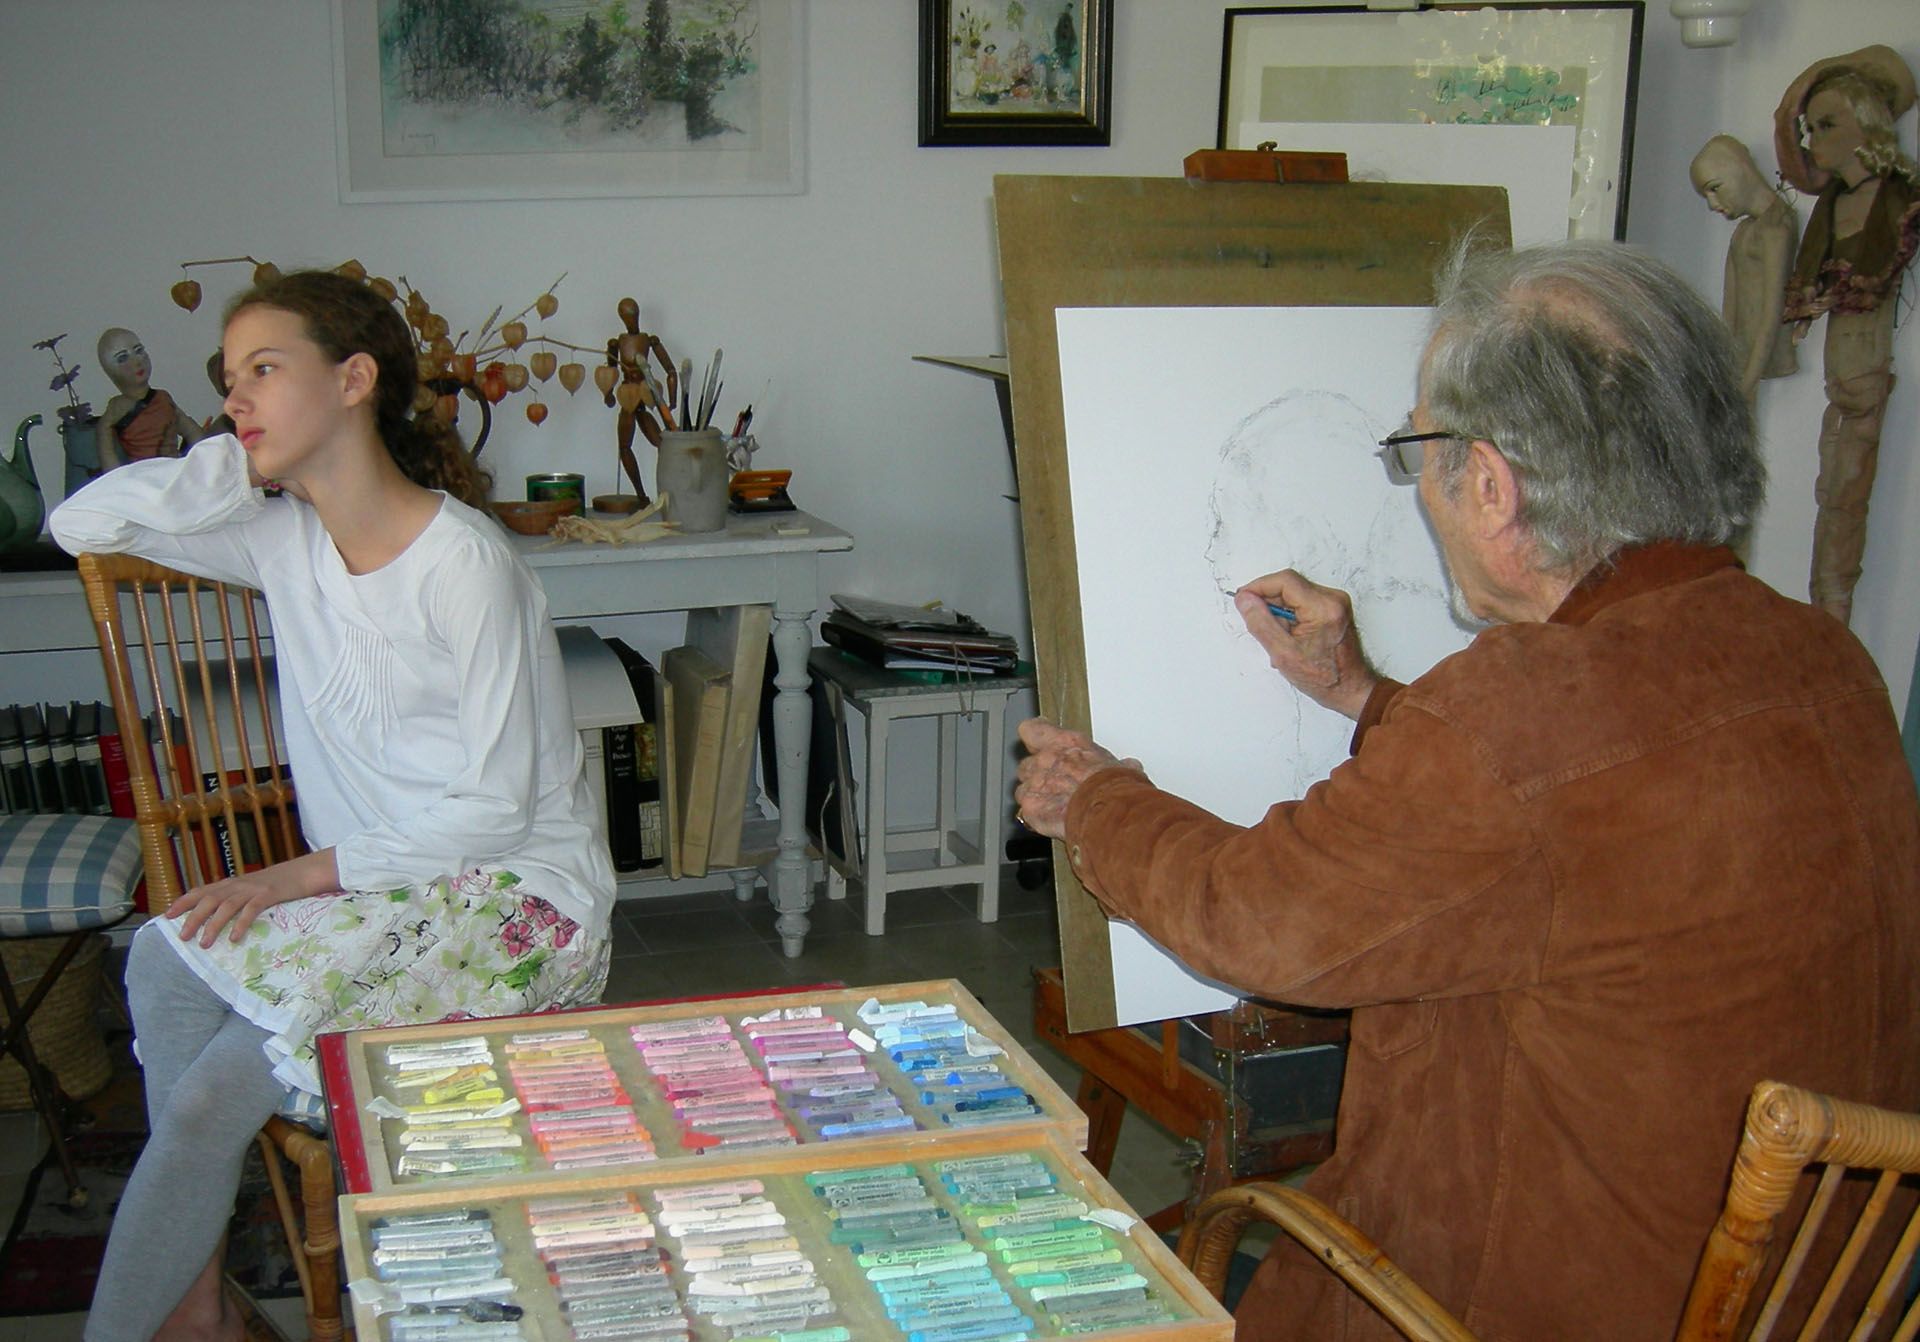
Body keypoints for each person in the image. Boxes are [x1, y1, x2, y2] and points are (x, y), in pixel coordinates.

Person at [1015, 238, 1920, 1341]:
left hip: (1515, 1305)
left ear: (1489, 483)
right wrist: (1359, 694)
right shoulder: (1822, 659)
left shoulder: (1515, 721)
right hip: (1812, 1297)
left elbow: (1250, 915)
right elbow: (1574, 815)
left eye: (1419, 451)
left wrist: (1099, 796)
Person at [52, 271, 616, 1342]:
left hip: (515, 907)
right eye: (228, 381)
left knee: (218, 1095)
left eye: (265, 371)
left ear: (355, 379)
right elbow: (85, 521)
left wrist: (295, 875)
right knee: (165, 954)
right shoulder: (281, 543)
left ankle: (153, 1325)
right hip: (386, 898)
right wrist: (230, 462)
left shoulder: (467, 563)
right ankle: (198, 1304)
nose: (236, 399)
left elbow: (496, 811)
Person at [1773, 45, 1919, 625]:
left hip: (1864, 367)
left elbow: (1877, 272)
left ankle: (1833, 615)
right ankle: (1826, 615)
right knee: (1829, 490)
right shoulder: (1831, 204)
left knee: (1844, 494)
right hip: (1841, 373)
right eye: (1810, 128)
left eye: (1827, 125)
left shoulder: (1901, 200)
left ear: (1869, 126)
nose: (1814, 141)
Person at [1689, 133, 1799, 405]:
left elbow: (1772, 312)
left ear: (1738, 171)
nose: (1714, 204)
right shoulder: (1742, 232)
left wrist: (1746, 382)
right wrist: (1726, 370)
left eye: (1715, 188)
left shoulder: (1777, 228)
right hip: (1738, 359)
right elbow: (1730, 305)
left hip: (1756, 360)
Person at [95, 326, 206, 468]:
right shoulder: (116, 410)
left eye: (139, 351)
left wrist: (207, 455)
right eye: (123, 358)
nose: (137, 362)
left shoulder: (163, 398)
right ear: (110, 370)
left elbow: (193, 433)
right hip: (144, 478)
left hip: (176, 470)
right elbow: (109, 462)